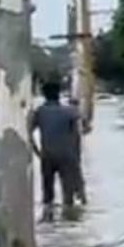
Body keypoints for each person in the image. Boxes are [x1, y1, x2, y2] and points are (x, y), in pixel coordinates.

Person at [29, 81, 83, 210]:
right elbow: (77, 135)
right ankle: (68, 219)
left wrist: (37, 152)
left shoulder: (40, 112)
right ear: (59, 94)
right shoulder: (70, 112)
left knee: (47, 196)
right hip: (67, 155)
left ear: (44, 95)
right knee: (68, 194)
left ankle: (49, 219)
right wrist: (77, 157)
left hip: (47, 155)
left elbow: (28, 133)